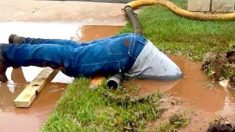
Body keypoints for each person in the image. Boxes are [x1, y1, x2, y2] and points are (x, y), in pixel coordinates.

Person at [0, 33, 182, 82]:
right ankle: (6, 53)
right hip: (132, 54)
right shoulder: (173, 78)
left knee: (75, 49)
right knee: (73, 61)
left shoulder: (175, 74)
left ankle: (22, 42)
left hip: (134, 45)